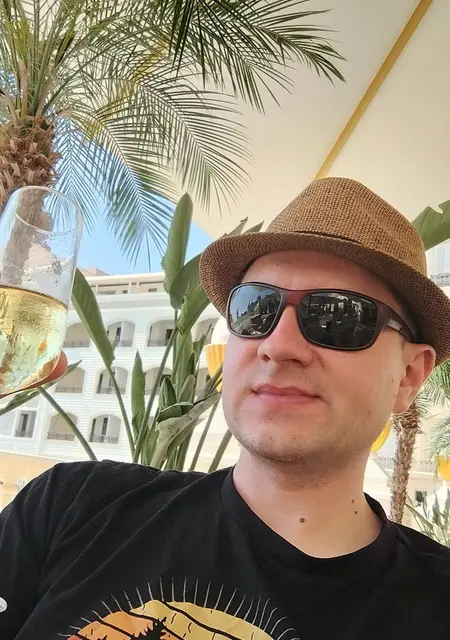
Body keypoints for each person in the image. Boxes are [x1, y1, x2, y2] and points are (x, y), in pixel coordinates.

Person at [1, 177, 449, 640]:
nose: (277, 345)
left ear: (409, 375)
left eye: (337, 316)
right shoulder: (72, 507)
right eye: (256, 308)